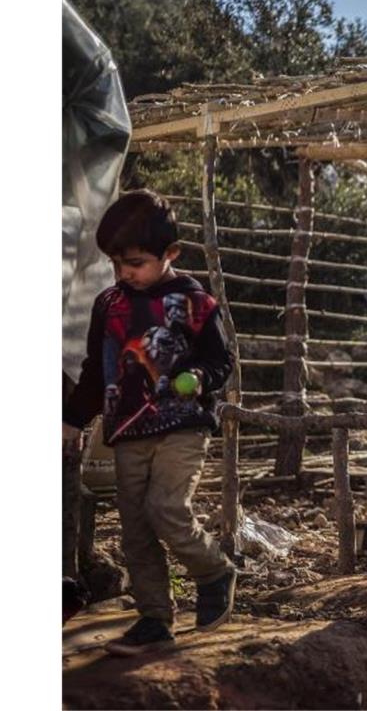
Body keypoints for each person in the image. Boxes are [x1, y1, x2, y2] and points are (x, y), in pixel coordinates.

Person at [62, 190, 236, 655]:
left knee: (165, 508)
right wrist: (73, 421)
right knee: (135, 526)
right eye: (117, 264)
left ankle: (213, 570)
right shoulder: (109, 304)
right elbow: (96, 372)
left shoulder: (196, 302)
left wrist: (197, 377)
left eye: (135, 263)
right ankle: (155, 616)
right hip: (127, 431)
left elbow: (221, 362)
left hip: (182, 427)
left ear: (171, 254)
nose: (124, 274)